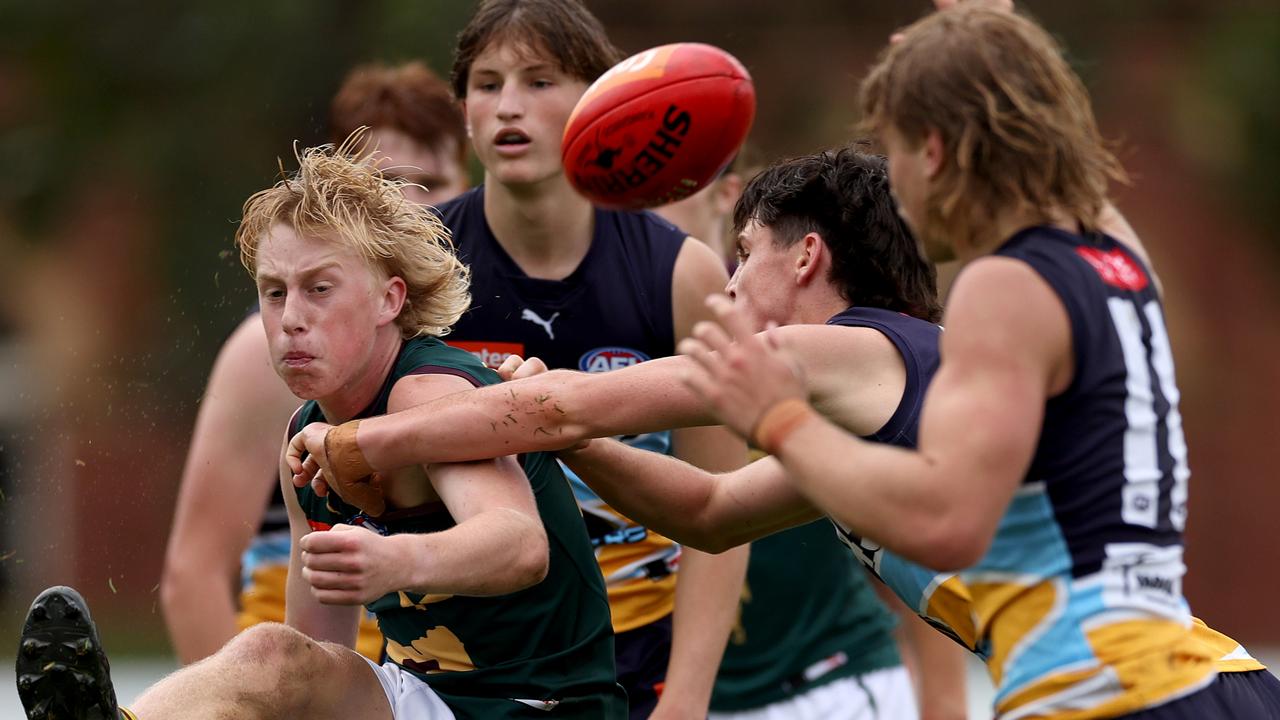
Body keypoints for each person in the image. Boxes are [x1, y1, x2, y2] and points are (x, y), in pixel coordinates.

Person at [673, 5, 1280, 719]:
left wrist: (778, 420)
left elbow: (950, 523)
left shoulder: (1006, 283)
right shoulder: (1117, 253)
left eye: (895, 149)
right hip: (1214, 683)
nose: (891, 187)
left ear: (932, 152)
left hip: (1109, 699)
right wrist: (992, 50)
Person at [290, 146, 984, 711]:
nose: (731, 282)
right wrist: (578, 445)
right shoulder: (872, 397)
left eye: (746, 253)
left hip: (1082, 653)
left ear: (805, 257)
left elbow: (560, 404)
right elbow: (709, 512)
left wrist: (358, 442)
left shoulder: (835, 347)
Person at [17, 135, 623, 720]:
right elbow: (307, 671)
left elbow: (520, 546)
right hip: (427, 701)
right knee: (271, 653)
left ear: (389, 300)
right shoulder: (303, 439)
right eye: (274, 293)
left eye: (319, 289)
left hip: (542, 706)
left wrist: (395, 560)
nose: (290, 320)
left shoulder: (426, 393)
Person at [435, 1, 749, 716]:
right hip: (460, 654)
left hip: (633, 653)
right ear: (464, 110)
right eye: (487, 84)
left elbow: (720, 512)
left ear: (603, 104)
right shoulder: (415, 266)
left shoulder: (681, 273)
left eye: (540, 81)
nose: (509, 106)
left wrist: (688, 700)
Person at [160, 60, 469, 665]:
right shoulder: (271, 346)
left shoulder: (470, 347)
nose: (409, 209)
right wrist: (236, 699)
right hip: (294, 661)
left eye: (431, 185)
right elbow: (192, 573)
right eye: (384, 186)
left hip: (426, 674)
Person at [654, 155, 967, 720]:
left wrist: (947, 706)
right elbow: (710, 510)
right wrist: (576, 441)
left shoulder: (809, 343)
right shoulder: (626, 317)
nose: (640, 212)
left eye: (660, 188)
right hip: (693, 688)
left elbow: (578, 407)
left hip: (826, 681)